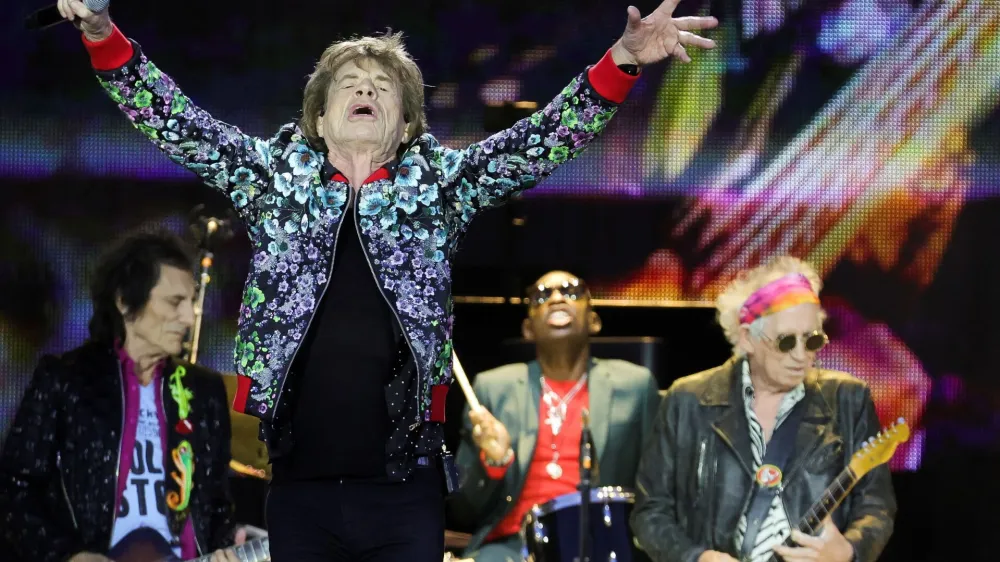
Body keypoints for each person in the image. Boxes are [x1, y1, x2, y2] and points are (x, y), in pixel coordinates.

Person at [54, 0, 717, 559]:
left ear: (404, 128)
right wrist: (101, 36)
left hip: (404, 488)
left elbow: (539, 141)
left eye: (383, 85)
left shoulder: (439, 184)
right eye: (349, 81)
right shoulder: (267, 177)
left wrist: (622, 59)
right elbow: (176, 122)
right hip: (298, 483)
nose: (366, 88)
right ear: (318, 119)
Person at [0, 230, 245, 562]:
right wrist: (67, 555)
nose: (189, 317)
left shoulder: (204, 391)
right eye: (175, 302)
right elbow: (15, 487)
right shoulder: (65, 379)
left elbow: (215, 506)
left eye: (192, 301)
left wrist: (229, 542)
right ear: (125, 301)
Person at [630, 256, 896, 562]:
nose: (801, 356)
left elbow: (876, 505)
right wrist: (697, 558)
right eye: (786, 342)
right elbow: (650, 513)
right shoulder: (687, 400)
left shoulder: (849, 399)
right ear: (748, 339)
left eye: (812, 340)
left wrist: (848, 551)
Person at [449, 270, 660, 561]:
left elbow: (656, 487)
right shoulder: (493, 388)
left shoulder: (634, 386)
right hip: (512, 547)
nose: (557, 298)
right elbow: (463, 509)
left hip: (602, 543)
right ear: (528, 328)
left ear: (594, 321)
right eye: (541, 296)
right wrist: (495, 461)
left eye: (572, 292)